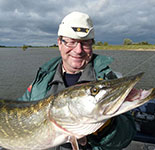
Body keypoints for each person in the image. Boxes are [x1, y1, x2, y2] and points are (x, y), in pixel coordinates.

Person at [19, 11, 136, 150]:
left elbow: (126, 136)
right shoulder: (43, 78)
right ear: (59, 43)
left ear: (92, 45)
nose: (78, 50)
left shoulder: (107, 78)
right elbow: (20, 109)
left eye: (85, 43)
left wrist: (105, 126)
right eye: (71, 42)